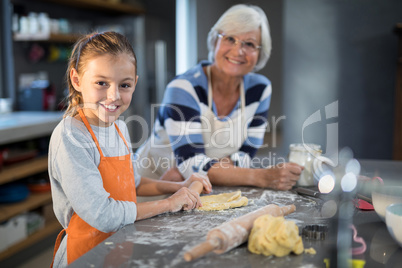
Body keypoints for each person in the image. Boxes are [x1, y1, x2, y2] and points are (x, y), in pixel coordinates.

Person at [48, 32, 211, 267]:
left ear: (135, 82)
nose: (113, 95)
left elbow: (133, 183)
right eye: (101, 83)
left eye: (124, 85)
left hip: (119, 247)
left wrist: (181, 187)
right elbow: (103, 214)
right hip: (84, 256)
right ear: (76, 79)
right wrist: (168, 204)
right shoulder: (72, 136)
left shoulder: (120, 128)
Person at [136, 4, 303, 190]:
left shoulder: (260, 89)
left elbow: (245, 154)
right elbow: (191, 164)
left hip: (199, 190)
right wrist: (262, 177)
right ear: (215, 41)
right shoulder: (184, 88)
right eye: (230, 39)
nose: (238, 51)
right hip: (151, 188)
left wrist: (202, 169)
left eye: (249, 44)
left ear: (260, 53)